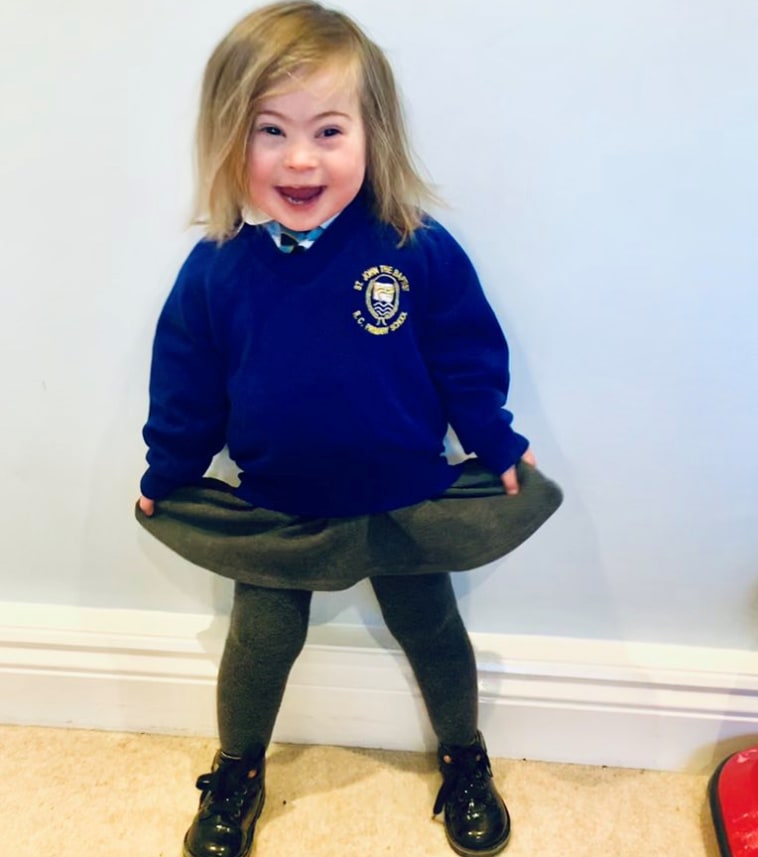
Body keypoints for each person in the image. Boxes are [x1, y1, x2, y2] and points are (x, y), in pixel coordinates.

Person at [136, 2, 562, 856]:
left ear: (373, 137)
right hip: (279, 507)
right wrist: (169, 467)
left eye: (328, 130)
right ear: (230, 139)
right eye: (269, 131)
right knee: (260, 639)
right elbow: (186, 384)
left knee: (435, 629)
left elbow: (467, 354)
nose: (300, 158)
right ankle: (237, 770)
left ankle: (465, 755)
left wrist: (496, 440)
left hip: (407, 497)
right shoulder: (217, 268)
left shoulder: (413, 248)